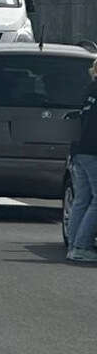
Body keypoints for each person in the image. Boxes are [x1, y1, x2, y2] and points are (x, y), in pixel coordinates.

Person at [65, 59, 97, 262]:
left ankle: (74, 245)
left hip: (80, 149)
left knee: (82, 199)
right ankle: (81, 246)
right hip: (93, 151)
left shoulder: (90, 89)